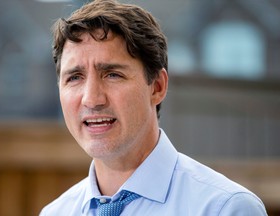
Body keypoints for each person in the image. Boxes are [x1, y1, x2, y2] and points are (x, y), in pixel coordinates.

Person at [40, 0, 267, 215]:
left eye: (112, 74)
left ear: (157, 86)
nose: (91, 99)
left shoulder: (225, 209)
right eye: (75, 78)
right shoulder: (55, 213)